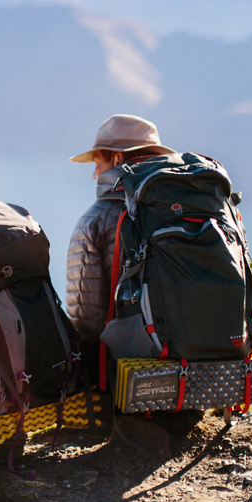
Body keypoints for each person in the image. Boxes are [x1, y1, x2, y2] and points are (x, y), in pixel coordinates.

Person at [66, 115, 175, 348]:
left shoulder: (94, 220)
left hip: (132, 366)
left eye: (97, 163)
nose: (95, 174)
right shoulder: (189, 207)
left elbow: (88, 326)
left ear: (117, 159)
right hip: (206, 360)